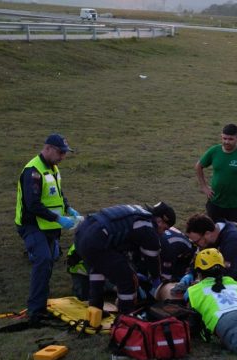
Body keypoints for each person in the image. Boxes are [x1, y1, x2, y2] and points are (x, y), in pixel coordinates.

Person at [74, 202, 174, 328]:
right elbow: (152, 257)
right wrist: (156, 278)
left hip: (83, 233)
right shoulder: (146, 225)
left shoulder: (138, 214)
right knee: (127, 280)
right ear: (160, 221)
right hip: (98, 239)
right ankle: (126, 318)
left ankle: (95, 309)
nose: (162, 233)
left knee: (98, 269)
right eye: (165, 228)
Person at [15, 133, 79, 324]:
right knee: (43, 260)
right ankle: (35, 310)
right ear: (48, 148)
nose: (62, 157)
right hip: (32, 225)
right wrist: (59, 218)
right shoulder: (33, 171)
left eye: (65, 153)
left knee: (49, 259)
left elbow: (57, 193)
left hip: (49, 226)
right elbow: (32, 204)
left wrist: (67, 207)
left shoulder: (52, 168)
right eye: (60, 152)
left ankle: (40, 303)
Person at [185, 213, 237, 307]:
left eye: (196, 242)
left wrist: (198, 286)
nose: (196, 245)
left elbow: (226, 274)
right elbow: (201, 256)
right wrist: (190, 272)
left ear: (207, 234)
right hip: (236, 265)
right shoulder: (213, 233)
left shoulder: (233, 242)